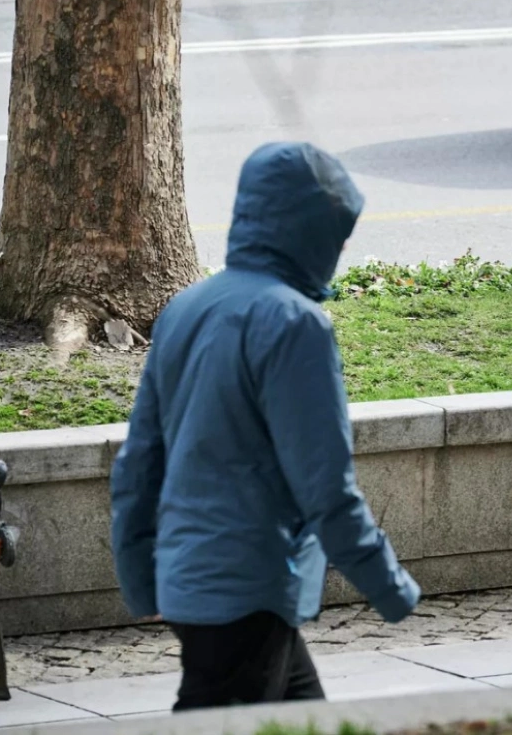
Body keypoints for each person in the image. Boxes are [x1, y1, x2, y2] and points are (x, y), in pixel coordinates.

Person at [110, 142, 420, 710]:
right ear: (313, 229)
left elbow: (137, 466)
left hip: (195, 584)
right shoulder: (295, 325)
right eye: (339, 230)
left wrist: (140, 576)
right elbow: (325, 488)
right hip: (248, 589)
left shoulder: (186, 307)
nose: (343, 246)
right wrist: (391, 586)